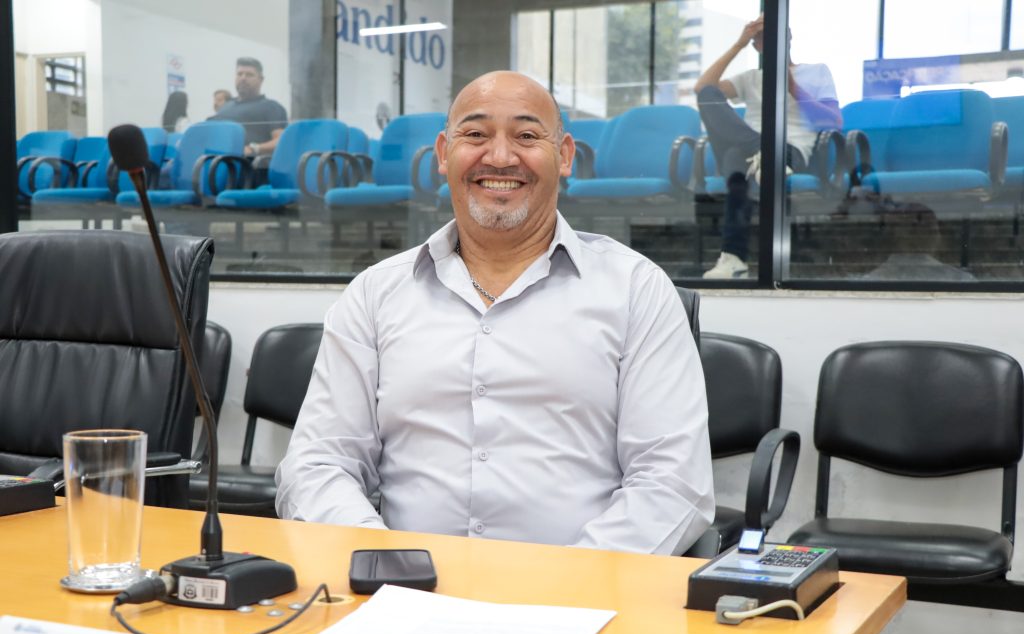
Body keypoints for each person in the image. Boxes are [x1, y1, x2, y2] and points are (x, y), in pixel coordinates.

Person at [275, 71, 714, 556]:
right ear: (444, 154)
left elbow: (672, 482)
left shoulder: (636, 289)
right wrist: (382, 563)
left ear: (564, 156)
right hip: (405, 596)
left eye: (526, 136)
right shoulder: (375, 294)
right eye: (476, 134)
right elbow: (317, 464)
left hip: (583, 601)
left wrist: (568, 588)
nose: (501, 157)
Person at [696, 15, 841, 278]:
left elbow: (833, 121)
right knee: (708, 96)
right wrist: (738, 44)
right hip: (752, 148)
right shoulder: (751, 78)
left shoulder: (815, 71)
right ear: (756, 46)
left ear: (788, 37)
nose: (768, 40)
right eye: (760, 37)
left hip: (790, 150)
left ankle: (733, 257)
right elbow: (702, 88)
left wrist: (792, 86)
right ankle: (761, 152)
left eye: (773, 34)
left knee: (736, 173)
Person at [210, 57, 287, 157]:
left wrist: (254, 148)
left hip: (246, 165)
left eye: (249, 75)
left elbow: (281, 141)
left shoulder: (271, 107)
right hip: (214, 161)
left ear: (261, 80)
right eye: (239, 74)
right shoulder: (225, 107)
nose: (243, 78)